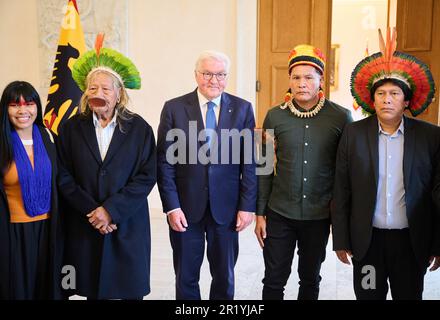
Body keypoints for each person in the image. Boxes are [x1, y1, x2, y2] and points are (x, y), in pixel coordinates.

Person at [332, 28, 440, 300]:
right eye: (381, 93)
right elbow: (341, 190)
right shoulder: (353, 134)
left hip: (411, 242)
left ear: (406, 101)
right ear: (373, 99)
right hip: (368, 244)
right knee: (369, 296)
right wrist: (342, 240)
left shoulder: (430, 136)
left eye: (394, 93)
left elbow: (437, 194)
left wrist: (438, 243)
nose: (387, 99)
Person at [57, 34, 157, 300]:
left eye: (105, 89)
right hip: (85, 222)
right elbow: (63, 175)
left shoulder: (140, 129)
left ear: (119, 93)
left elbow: (147, 176)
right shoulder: (69, 129)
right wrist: (94, 211)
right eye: (92, 88)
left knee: (128, 288)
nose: (98, 94)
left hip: (126, 222)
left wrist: (111, 211)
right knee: (91, 287)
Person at [157, 50, 257, 300]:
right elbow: (165, 163)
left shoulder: (243, 109)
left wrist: (247, 206)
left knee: (224, 276)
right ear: (196, 75)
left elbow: (251, 163)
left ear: (227, 76)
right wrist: (172, 207)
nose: (214, 80)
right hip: (185, 209)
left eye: (221, 74)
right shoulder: (174, 108)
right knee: (186, 276)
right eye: (207, 74)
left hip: (227, 209)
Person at [255, 44, 352, 300]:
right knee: (274, 279)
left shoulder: (341, 117)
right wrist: (260, 213)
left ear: (321, 79)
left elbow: (346, 173)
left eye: (309, 77)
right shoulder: (273, 116)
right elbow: (263, 166)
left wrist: (342, 220)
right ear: (289, 80)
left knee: (310, 279)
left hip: (318, 216)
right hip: (280, 212)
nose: (302, 83)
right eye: (296, 77)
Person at [0, 81, 63, 299]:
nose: (23, 110)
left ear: (37, 106)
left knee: (45, 289)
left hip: (47, 230)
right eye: (15, 105)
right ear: (5, 109)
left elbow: (60, 182)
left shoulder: (49, 138)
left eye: (29, 103)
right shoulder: (2, 142)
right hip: (11, 233)